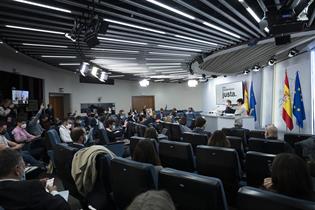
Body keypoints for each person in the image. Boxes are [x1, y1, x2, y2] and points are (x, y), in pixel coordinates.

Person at [0, 148, 70, 210]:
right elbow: (62, 207)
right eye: (23, 165)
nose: (24, 168)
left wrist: (37, 183)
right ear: (17, 170)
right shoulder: (31, 188)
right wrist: (53, 191)